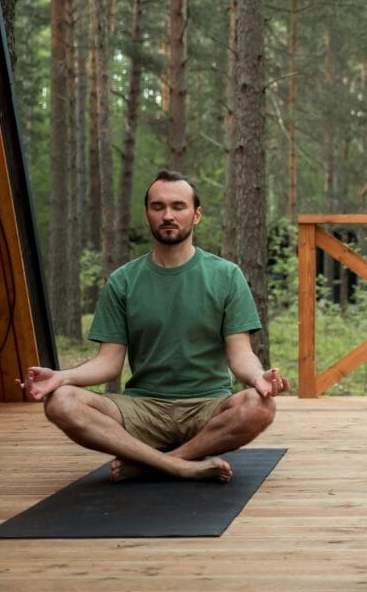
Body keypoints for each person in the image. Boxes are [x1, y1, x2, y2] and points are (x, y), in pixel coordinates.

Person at [22, 170, 288, 483]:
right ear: (148, 214)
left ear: (196, 215)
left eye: (178, 206)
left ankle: (157, 463)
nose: (168, 215)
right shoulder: (123, 280)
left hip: (207, 408)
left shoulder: (226, 275)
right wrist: (60, 377)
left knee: (260, 407)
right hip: (142, 410)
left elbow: (240, 355)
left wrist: (259, 377)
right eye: (158, 207)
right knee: (61, 402)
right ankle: (180, 466)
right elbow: (108, 365)